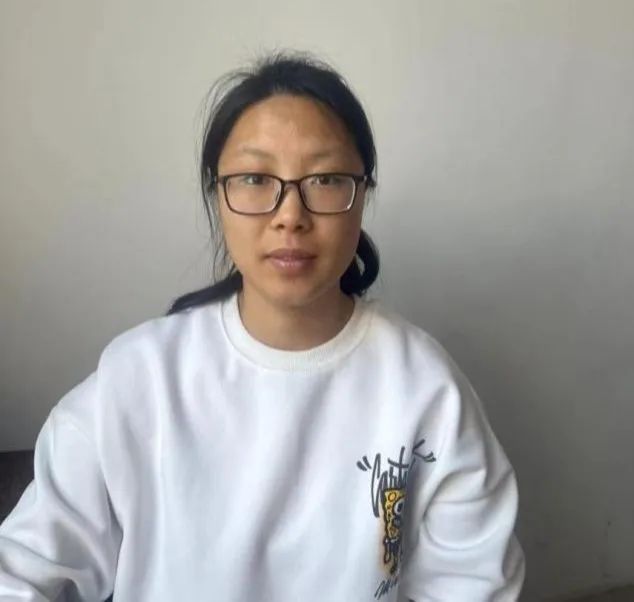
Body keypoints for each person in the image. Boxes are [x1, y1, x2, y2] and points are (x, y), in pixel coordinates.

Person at [0, 51, 525, 601]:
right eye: (254, 178)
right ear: (218, 195)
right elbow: (23, 571)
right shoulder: (138, 380)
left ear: (362, 195)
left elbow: (474, 584)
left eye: (324, 179)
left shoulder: (426, 389)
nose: (290, 215)